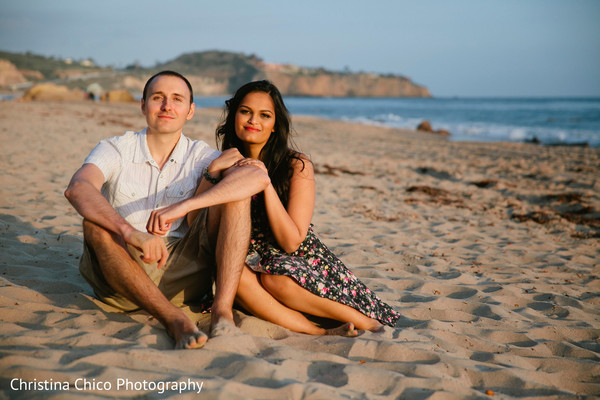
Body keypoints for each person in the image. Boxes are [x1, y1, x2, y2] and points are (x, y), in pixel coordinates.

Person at [64, 71, 270, 349]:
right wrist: (130, 233)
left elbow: (258, 178)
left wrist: (184, 206)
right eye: (158, 98)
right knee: (94, 224)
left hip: (184, 275)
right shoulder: (116, 148)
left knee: (236, 196)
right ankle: (173, 320)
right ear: (143, 105)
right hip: (122, 279)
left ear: (190, 111)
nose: (166, 106)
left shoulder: (201, 156)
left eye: (177, 99)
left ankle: (222, 313)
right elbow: (78, 187)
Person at [213, 80, 400, 336]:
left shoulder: (296, 166)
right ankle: (320, 333)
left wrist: (264, 184)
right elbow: (201, 227)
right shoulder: (224, 162)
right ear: (234, 115)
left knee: (275, 277)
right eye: (246, 111)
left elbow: (291, 242)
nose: (253, 120)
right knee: (234, 276)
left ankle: (367, 323)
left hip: (297, 259)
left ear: (275, 126)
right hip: (247, 258)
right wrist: (213, 173)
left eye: (264, 115)